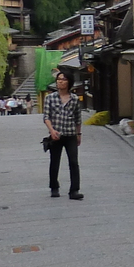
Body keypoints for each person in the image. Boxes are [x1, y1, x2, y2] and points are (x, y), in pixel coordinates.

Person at [43, 70, 83, 200]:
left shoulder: (75, 99)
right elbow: (46, 116)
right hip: (56, 134)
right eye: (59, 79)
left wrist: (78, 134)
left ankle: (74, 190)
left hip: (70, 133)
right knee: (54, 161)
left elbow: (78, 118)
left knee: (73, 162)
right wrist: (51, 130)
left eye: (63, 79)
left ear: (69, 82)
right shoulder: (50, 98)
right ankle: (54, 187)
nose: (60, 81)